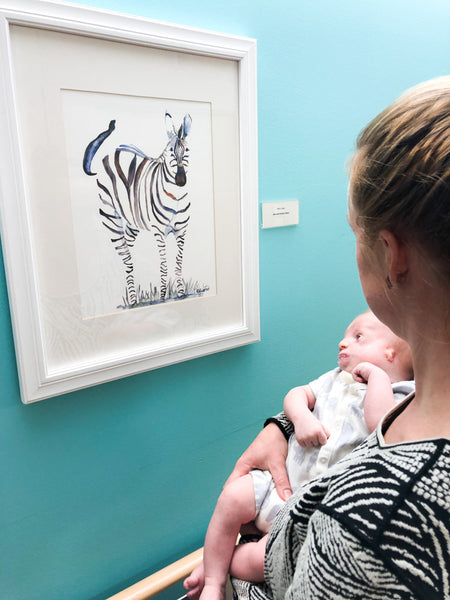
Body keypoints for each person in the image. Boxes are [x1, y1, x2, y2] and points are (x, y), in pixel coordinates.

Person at [221, 76, 450, 600]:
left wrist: (238, 577)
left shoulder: (372, 522)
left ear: (392, 255)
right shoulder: (398, 420)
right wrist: (285, 423)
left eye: (355, 233)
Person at [184, 311, 414, 600]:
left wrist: (377, 377)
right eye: (345, 336)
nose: (343, 343)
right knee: (232, 496)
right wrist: (301, 417)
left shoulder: (404, 394)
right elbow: (296, 395)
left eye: (357, 337)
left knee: (265, 558)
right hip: (278, 488)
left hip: (306, 516)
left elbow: (380, 424)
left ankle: (217, 563)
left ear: (389, 352)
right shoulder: (334, 380)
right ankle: (214, 585)